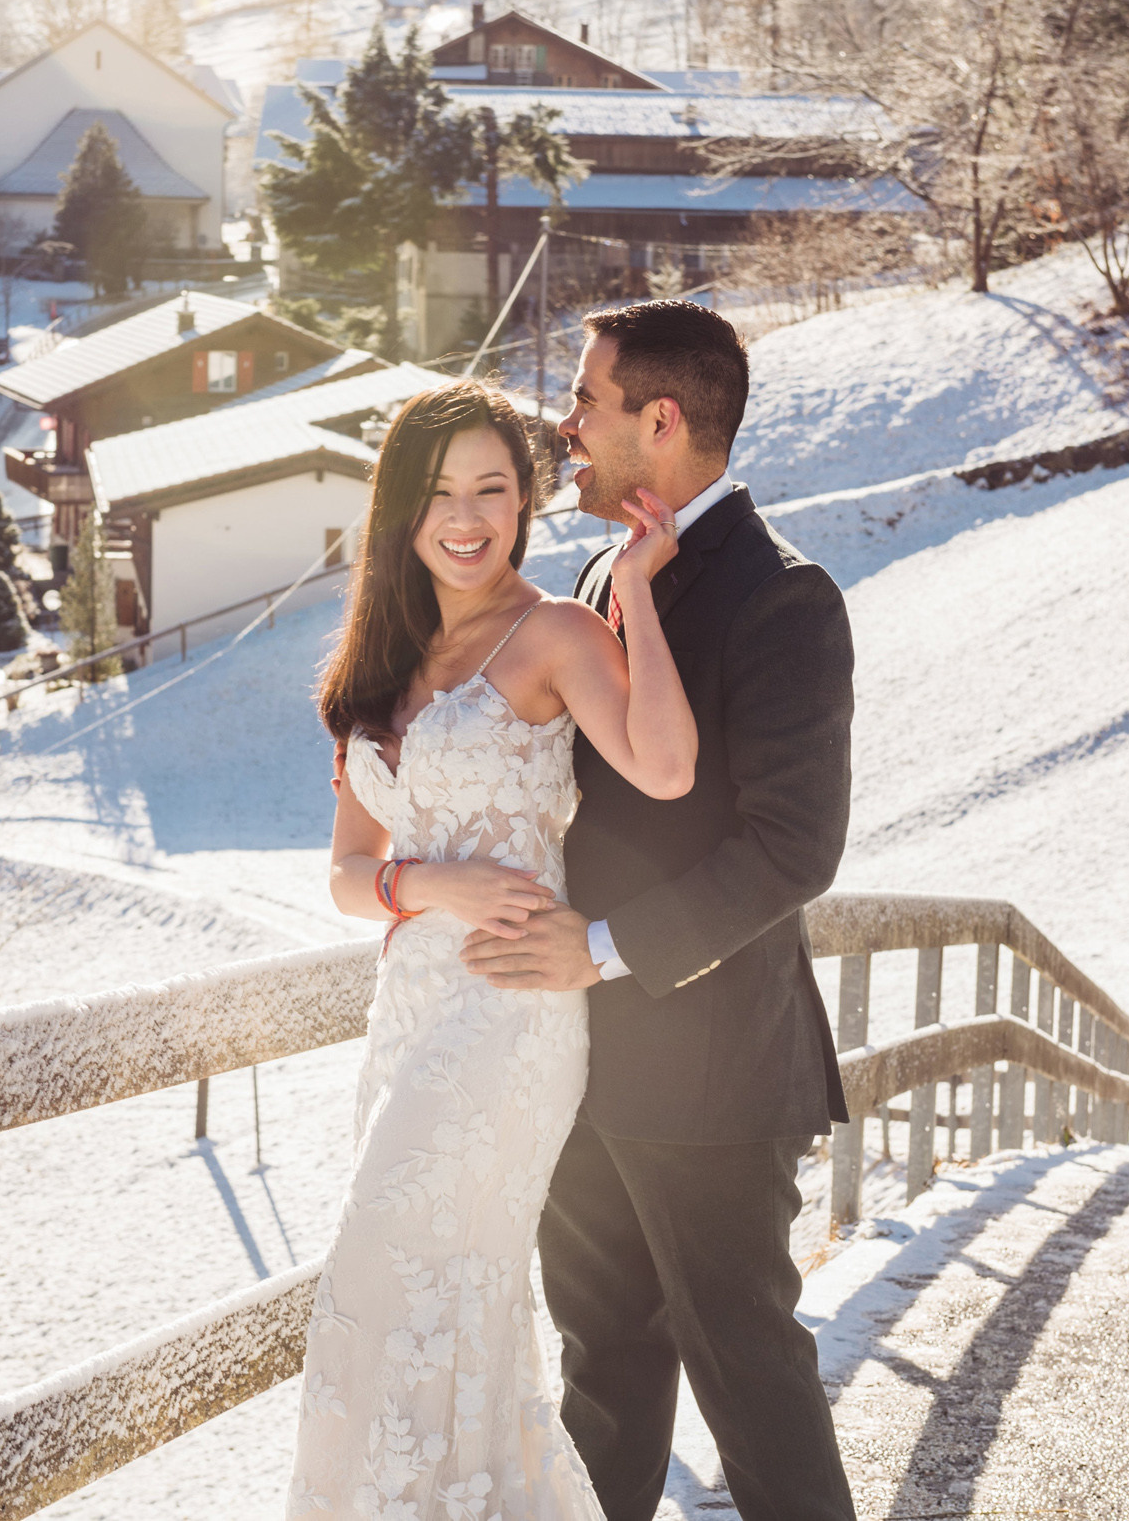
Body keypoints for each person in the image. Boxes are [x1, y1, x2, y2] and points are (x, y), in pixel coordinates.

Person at [460, 299, 857, 1520]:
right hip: (576, 1063)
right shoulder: (594, 572)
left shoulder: (783, 595)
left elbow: (795, 847)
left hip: (713, 1077)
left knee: (750, 1382)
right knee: (603, 1384)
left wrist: (601, 949)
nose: (565, 426)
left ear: (661, 419)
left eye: (586, 401)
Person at [290, 378, 699, 1520]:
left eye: (493, 489)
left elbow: (665, 767)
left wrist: (633, 596)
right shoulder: (377, 654)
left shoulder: (556, 631)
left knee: (383, 1278)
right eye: (440, 492)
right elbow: (344, 874)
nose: (466, 517)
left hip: (512, 1011)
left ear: (523, 502)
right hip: (410, 1009)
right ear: (399, 509)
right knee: (435, 1305)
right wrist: (427, 884)